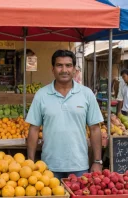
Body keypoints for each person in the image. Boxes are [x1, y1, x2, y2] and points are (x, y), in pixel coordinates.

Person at [26, 50, 104, 180]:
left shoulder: (87, 94)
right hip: (49, 167)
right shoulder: (41, 95)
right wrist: (30, 161)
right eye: (59, 65)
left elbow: (95, 129)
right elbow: (33, 129)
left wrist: (97, 161)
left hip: (79, 165)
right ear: (52, 69)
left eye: (68, 65)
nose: (64, 70)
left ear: (74, 69)